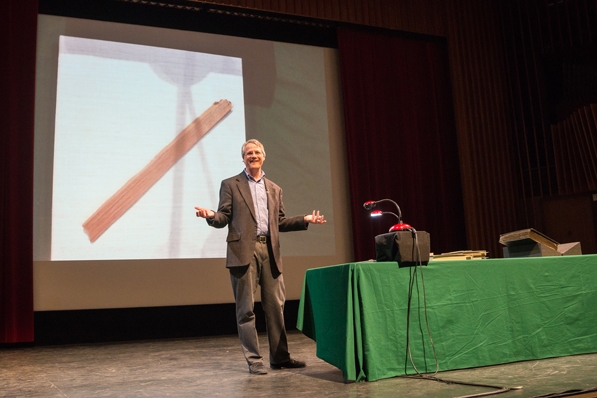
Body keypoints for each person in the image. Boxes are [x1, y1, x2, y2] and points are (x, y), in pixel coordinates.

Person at [194, 138, 326, 375]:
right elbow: (223, 216)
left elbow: (280, 222)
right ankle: (254, 359)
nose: (253, 155)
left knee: (276, 307)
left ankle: (280, 357)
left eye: (256, 152)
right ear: (243, 158)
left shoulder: (274, 189)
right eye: (248, 153)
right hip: (243, 252)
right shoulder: (230, 184)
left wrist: (304, 219)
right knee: (245, 310)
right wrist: (210, 215)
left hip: (270, 252)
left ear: (264, 156)